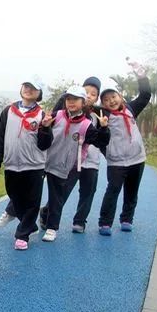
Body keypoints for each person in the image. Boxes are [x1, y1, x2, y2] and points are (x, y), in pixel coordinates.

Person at [37, 85, 110, 242]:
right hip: (45, 162)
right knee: (32, 192)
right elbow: (42, 141)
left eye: (75, 99)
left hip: (65, 167)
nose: (71, 102)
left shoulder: (86, 125)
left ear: (83, 102)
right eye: (68, 99)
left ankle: (52, 228)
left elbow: (100, 141)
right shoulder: (56, 116)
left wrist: (104, 129)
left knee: (57, 198)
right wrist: (45, 127)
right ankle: (24, 222)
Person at [0, 80, 53, 250]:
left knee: (32, 201)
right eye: (26, 86)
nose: (28, 90)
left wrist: (45, 128)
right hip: (11, 164)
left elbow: (44, 144)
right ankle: (29, 225)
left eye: (33, 88)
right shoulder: (8, 111)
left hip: (34, 166)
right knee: (15, 197)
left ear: (39, 93)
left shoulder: (42, 115)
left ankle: (22, 235)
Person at [97, 67, 152, 235]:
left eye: (113, 97)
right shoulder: (103, 115)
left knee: (131, 191)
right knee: (112, 191)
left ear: (120, 96)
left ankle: (127, 219)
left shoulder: (131, 109)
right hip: (116, 162)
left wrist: (141, 76)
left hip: (137, 159)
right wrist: (108, 152)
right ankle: (105, 223)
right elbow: (99, 138)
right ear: (103, 103)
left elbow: (145, 95)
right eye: (106, 100)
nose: (111, 101)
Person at [49, 76, 103, 233]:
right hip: (72, 161)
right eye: (86, 92)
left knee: (88, 191)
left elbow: (103, 138)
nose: (90, 96)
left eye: (94, 94)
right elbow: (56, 113)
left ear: (97, 98)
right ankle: (47, 214)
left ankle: (79, 221)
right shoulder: (68, 111)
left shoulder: (100, 114)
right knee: (62, 192)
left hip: (91, 161)